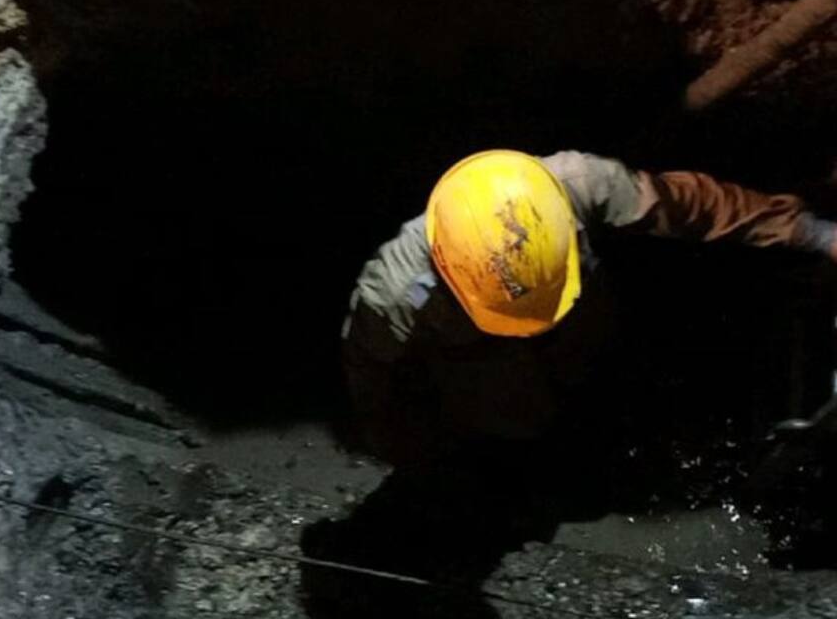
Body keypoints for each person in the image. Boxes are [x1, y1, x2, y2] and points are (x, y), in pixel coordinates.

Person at [342, 150, 837, 467]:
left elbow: (691, 205)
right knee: (516, 429)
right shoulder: (394, 294)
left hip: (581, 319)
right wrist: (413, 460)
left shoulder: (574, 184)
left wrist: (812, 233)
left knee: (594, 362)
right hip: (485, 364)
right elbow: (375, 379)